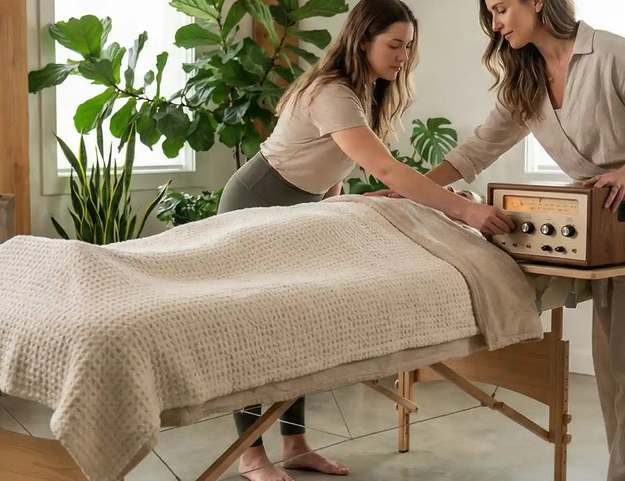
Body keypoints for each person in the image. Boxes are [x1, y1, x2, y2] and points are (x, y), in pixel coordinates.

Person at [372, 1, 625, 479]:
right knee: (614, 367)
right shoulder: (526, 76)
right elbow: (480, 146)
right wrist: (414, 188)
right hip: (595, 221)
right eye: (491, 14)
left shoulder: (611, 54)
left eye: (501, 8)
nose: (496, 23)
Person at [215, 1, 513, 479]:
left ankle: (295, 445)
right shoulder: (333, 92)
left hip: (301, 208)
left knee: (298, 326)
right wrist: (468, 212)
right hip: (256, 201)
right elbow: (389, 168)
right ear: (362, 42)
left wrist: (335, 205)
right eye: (394, 45)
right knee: (251, 327)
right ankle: (251, 455)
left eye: (409, 47)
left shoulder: (364, 92)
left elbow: (334, 166)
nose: (403, 57)